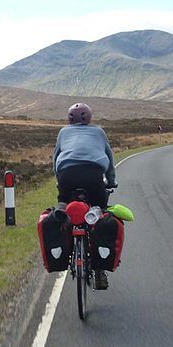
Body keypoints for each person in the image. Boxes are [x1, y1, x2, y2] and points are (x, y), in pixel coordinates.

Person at [53, 102, 116, 289]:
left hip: (67, 176)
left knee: (64, 203)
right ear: (89, 117)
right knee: (99, 215)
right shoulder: (99, 132)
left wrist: (59, 178)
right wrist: (111, 180)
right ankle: (99, 271)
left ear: (69, 119)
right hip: (93, 176)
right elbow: (110, 159)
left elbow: (56, 157)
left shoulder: (63, 132)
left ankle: (62, 213)